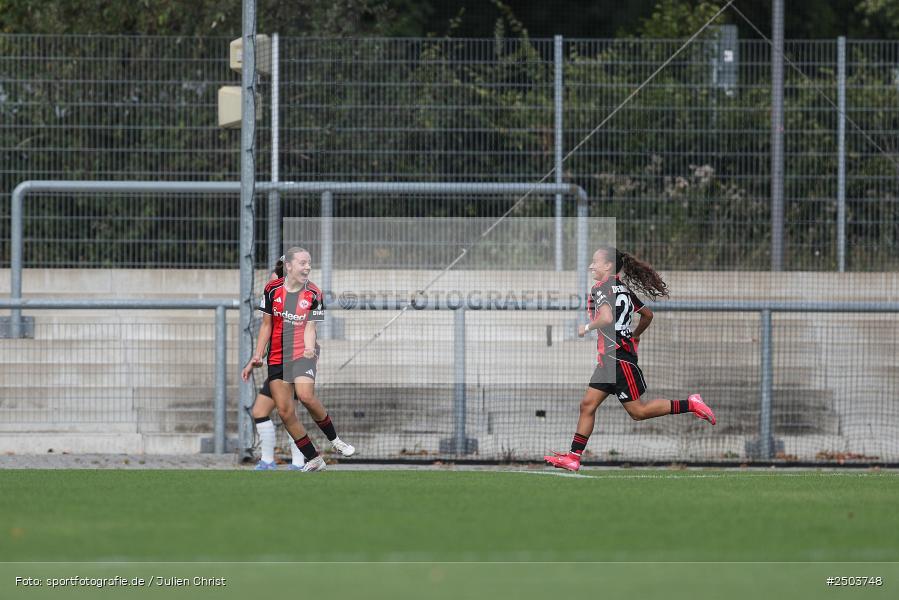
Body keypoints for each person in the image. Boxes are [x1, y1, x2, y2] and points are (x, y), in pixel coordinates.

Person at [544, 247, 715, 472]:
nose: (591, 266)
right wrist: (634, 336)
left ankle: (691, 404)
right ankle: (573, 457)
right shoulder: (622, 289)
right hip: (609, 360)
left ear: (608, 266)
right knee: (587, 405)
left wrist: (586, 327)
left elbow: (606, 318)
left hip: (618, 359)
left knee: (638, 412)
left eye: (595, 262)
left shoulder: (601, 288)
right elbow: (647, 315)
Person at [241, 248, 355, 472]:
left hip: (303, 354)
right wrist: (257, 354)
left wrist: (310, 348)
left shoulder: (314, 293)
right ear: (289, 266)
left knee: (305, 396)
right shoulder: (271, 289)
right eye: (303, 263)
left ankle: (336, 441)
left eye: (309, 263)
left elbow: (311, 327)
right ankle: (313, 458)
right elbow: (266, 325)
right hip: (277, 357)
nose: (308, 267)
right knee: (285, 412)